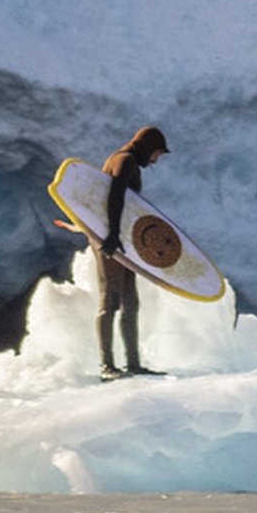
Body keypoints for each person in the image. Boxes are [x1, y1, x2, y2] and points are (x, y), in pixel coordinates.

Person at [96, 122, 169, 380]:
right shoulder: (124, 160)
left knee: (131, 302)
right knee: (110, 300)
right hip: (110, 238)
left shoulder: (127, 161)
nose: (156, 159)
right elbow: (114, 196)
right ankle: (107, 366)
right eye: (157, 153)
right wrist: (113, 234)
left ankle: (134, 364)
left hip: (122, 238)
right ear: (148, 147)